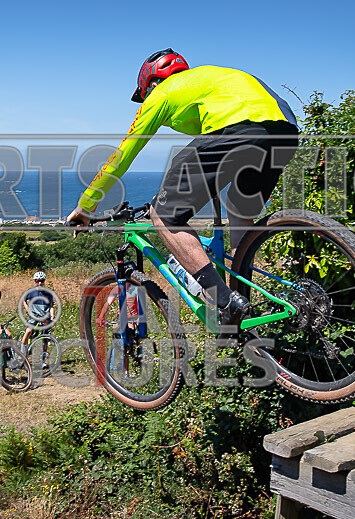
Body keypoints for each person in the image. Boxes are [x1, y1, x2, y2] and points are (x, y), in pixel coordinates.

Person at [67, 48, 299, 327]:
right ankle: (242, 309)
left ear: (151, 83)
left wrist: (86, 205)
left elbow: (123, 154)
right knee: (239, 212)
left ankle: (225, 301)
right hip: (284, 131)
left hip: (237, 129)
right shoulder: (212, 77)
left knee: (164, 215)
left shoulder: (161, 93)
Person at [20, 271, 56, 370]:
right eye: (37, 281)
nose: (39, 283)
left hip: (45, 317)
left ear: (44, 281)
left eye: (41, 281)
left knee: (45, 339)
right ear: (34, 281)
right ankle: (22, 355)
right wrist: (28, 310)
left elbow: (51, 306)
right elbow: (23, 300)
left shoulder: (48, 293)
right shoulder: (31, 292)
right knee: (28, 331)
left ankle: (43, 361)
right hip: (34, 317)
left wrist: (52, 316)